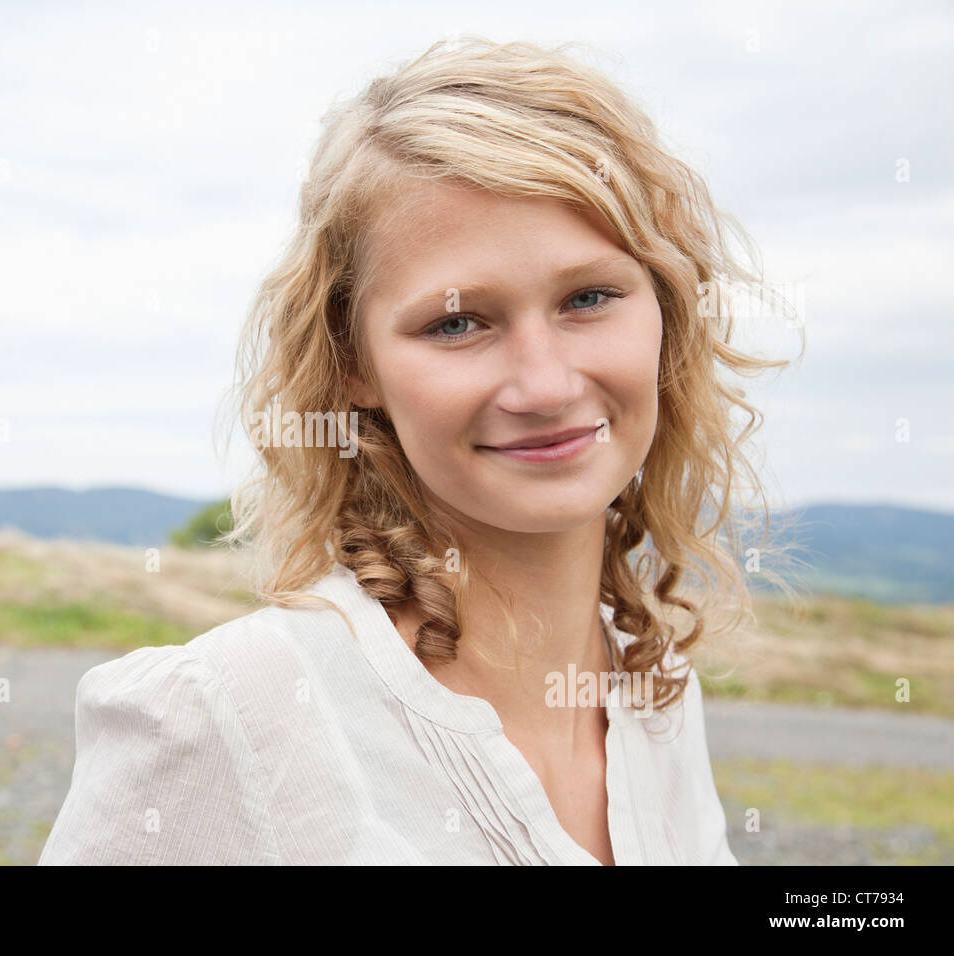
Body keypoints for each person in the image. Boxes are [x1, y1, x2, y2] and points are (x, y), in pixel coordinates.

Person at [39, 35, 802, 865]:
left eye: (589, 297)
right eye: (456, 322)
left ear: (664, 313)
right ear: (352, 364)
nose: (544, 385)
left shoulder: (651, 689)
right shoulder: (229, 718)